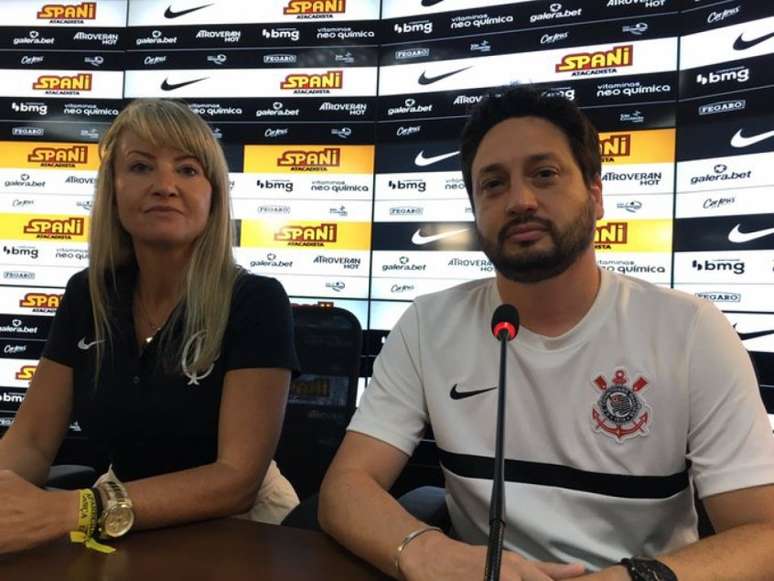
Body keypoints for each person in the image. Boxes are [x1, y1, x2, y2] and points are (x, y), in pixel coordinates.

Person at [318, 86, 774, 580]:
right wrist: (428, 552)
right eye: (493, 184)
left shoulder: (691, 330)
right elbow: (346, 486)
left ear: (595, 195)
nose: (520, 200)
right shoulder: (428, 325)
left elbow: (762, 533)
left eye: (545, 174)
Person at [0, 99, 300, 554]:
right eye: (141, 167)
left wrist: (78, 510)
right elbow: (33, 442)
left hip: (242, 528)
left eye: (187, 170)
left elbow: (234, 480)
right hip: (117, 520)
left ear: (213, 194)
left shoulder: (256, 300)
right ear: (113, 192)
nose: (165, 186)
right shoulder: (88, 293)